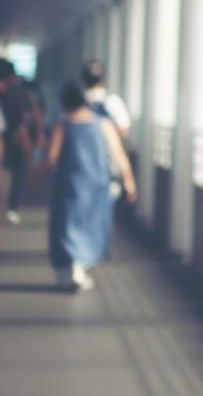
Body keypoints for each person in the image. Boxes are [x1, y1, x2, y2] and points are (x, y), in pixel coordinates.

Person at [48, 81, 136, 291]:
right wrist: (129, 181)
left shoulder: (63, 124)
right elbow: (119, 154)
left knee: (67, 225)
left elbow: (52, 157)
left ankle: (70, 267)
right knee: (91, 225)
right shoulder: (103, 124)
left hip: (68, 184)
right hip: (97, 184)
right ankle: (79, 267)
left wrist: (40, 172)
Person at [0, 59, 32, 224]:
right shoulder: (17, 95)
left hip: (9, 142)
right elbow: (22, 126)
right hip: (10, 143)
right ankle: (12, 207)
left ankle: (11, 207)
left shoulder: (14, 94)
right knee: (12, 175)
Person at [80, 60, 132, 142]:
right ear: (104, 79)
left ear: (82, 80)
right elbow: (124, 131)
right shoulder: (113, 102)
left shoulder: (76, 104)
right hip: (106, 152)